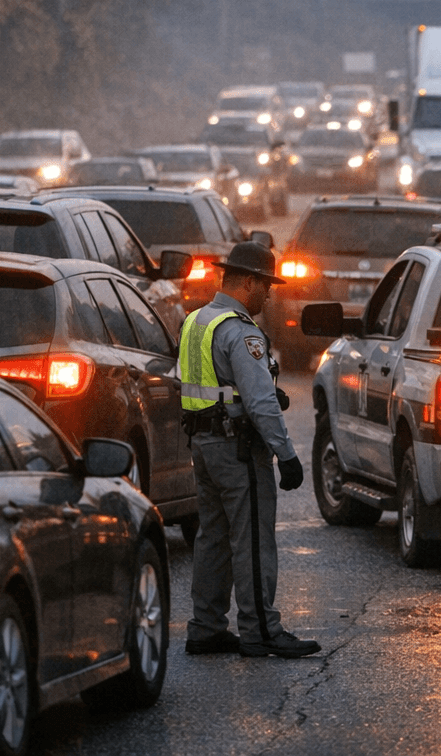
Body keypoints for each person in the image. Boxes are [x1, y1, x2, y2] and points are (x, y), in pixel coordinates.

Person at [179, 241, 320, 659]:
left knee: (213, 539)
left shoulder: (196, 321)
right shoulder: (240, 331)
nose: (270, 294)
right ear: (247, 282)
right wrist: (287, 454)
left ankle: (205, 627)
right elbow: (259, 401)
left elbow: (204, 387)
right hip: (237, 449)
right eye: (266, 286)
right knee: (253, 541)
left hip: (204, 445)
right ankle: (260, 630)